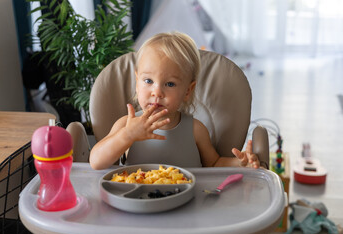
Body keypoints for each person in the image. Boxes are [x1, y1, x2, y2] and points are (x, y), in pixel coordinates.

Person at [90, 32, 260, 170]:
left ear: (187, 91)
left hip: (188, 206)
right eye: (148, 81)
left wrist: (240, 162)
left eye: (170, 84)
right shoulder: (126, 125)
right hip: (137, 205)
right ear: (136, 83)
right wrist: (127, 136)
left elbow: (214, 163)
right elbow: (96, 162)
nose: (157, 92)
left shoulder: (195, 130)